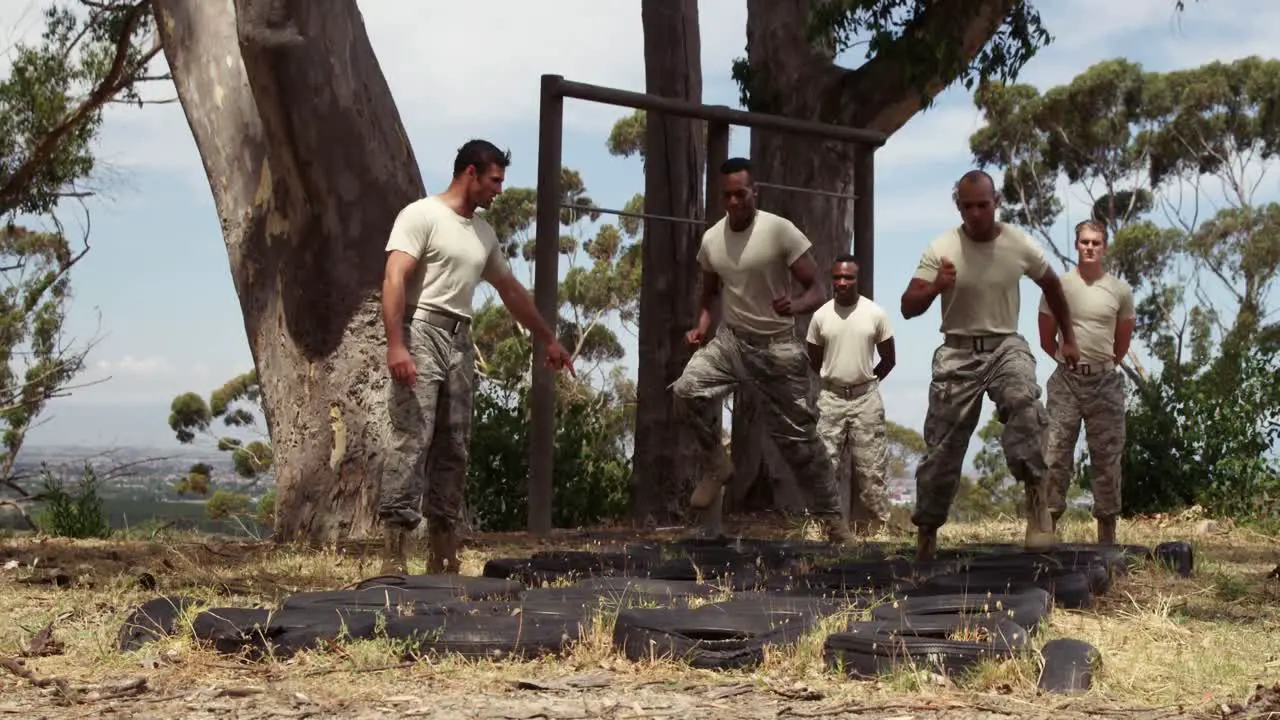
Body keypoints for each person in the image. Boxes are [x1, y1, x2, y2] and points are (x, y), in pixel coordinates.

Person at [379, 139, 574, 575]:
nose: (499, 190)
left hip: (460, 339)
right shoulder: (421, 215)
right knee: (412, 438)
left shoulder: (483, 233)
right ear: (470, 173)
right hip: (421, 328)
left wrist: (548, 339)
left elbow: (510, 291)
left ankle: (442, 554)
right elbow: (394, 276)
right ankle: (394, 554)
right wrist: (397, 343)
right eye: (494, 180)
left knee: (454, 445)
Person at [671, 157, 856, 545]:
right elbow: (708, 297)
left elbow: (817, 288)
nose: (735, 202)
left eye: (742, 194)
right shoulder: (712, 241)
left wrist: (797, 304)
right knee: (687, 390)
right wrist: (700, 329)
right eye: (728, 196)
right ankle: (717, 464)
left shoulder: (779, 232)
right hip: (731, 341)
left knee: (800, 443)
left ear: (755, 192)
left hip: (776, 348)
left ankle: (833, 523)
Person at [900, 169, 1080, 562]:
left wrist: (1068, 337)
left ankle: (1037, 503)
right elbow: (907, 307)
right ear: (959, 207)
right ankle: (927, 532)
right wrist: (935, 287)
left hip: (1004, 345)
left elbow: (1052, 285)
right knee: (941, 450)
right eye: (968, 207)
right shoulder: (942, 248)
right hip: (958, 350)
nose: (977, 213)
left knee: (1024, 402)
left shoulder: (1019, 244)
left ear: (996, 202)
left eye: (984, 204)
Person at [1038, 219, 1135, 545]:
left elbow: (1121, 345)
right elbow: (1045, 337)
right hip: (1066, 382)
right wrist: (1068, 362)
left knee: (1107, 459)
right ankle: (1046, 530)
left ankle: (1107, 534)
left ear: (1104, 247)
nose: (1090, 247)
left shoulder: (1120, 291)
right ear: (1076, 245)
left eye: (1096, 242)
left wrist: (1100, 366)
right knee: (1053, 455)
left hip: (1105, 383)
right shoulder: (1059, 286)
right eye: (1084, 242)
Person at [806, 255, 897, 533]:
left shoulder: (875, 314)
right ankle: (822, 529)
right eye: (837, 277)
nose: (842, 283)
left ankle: (879, 530)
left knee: (871, 472)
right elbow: (814, 359)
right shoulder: (821, 317)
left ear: (858, 280)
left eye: (848, 278)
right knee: (824, 468)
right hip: (831, 400)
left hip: (865, 399)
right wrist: (836, 381)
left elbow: (888, 359)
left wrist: (865, 384)